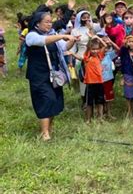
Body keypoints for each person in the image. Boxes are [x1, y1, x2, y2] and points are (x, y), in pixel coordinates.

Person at [25, 12, 77, 140]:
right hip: (39, 75)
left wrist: (72, 40)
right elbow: (42, 41)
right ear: (38, 23)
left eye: (50, 22)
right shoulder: (31, 35)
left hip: (54, 75)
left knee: (55, 101)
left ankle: (49, 129)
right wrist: (62, 35)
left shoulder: (53, 35)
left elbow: (64, 47)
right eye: (47, 22)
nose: (50, 24)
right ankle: (44, 134)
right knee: (45, 100)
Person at [75, 37, 107, 123]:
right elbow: (87, 49)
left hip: (99, 82)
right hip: (90, 83)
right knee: (89, 102)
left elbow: (105, 45)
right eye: (93, 49)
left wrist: (98, 38)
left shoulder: (99, 56)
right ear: (90, 49)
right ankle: (88, 119)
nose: (95, 51)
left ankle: (100, 118)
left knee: (100, 101)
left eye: (97, 49)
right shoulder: (87, 58)